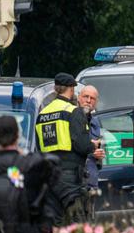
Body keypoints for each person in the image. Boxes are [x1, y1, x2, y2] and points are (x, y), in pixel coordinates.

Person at [35, 73, 95, 225]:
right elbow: (82, 146)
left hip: (49, 177)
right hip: (71, 176)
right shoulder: (72, 111)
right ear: (71, 89)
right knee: (77, 223)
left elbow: (38, 147)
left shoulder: (42, 114)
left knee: (55, 224)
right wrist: (93, 145)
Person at [77, 85, 106, 220]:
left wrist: (100, 153)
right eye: (85, 97)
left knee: (91, 224)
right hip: (77, 182)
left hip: (92, 180)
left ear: (96, 103)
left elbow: (98, 144)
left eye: (92, 98)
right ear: (78, 98)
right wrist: (91, 152)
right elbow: (71, 146)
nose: (88, 100)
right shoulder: (73, 118)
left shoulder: (95, 122)